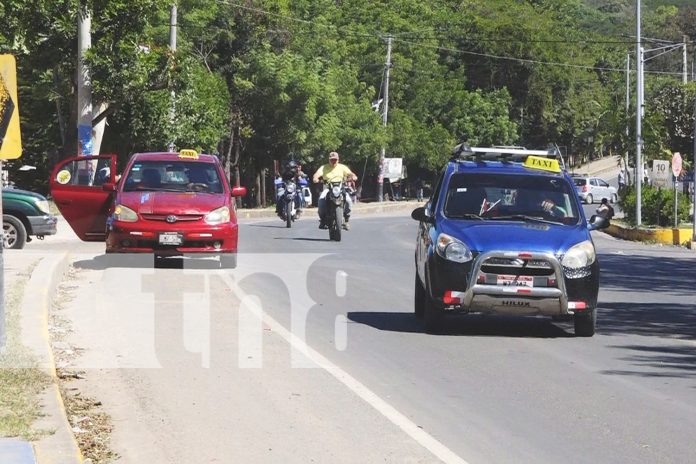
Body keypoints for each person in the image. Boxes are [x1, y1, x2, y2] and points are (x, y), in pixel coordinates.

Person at [312, 151, 358, 230]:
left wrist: (353, 176)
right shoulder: (324, 167)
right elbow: (317, 174)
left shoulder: (342, 167)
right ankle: (323, 220)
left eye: (335, 160)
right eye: (332, 160)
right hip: (328, 188)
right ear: (329, 160)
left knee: (348, 201)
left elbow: (350, 173)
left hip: (339, 188)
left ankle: (346, 220)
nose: (333, 161)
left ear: (338, 160)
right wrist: (315, 178)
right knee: (321, 200)